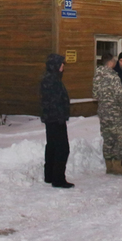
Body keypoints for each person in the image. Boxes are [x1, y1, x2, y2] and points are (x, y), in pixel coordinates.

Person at [92, 53, 122, 176]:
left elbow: (95, 95)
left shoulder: (97, 75)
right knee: (121, 136)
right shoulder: (113, 76)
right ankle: (117, 164)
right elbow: (120, 95)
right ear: (110, 62)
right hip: (114, 111)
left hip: (103, 111)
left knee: (108, 137)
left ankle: (109, 165)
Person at [39, 53, 74, 188]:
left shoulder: (49, 79)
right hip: (56, 119)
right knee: (62, 149)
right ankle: (58, 179)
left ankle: (49, 175)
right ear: (56, 66)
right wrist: (61, 116)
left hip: (51, 119)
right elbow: (54, 102)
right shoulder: (53, 81)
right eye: (61, 64)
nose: (63, 66)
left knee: (52, 146)